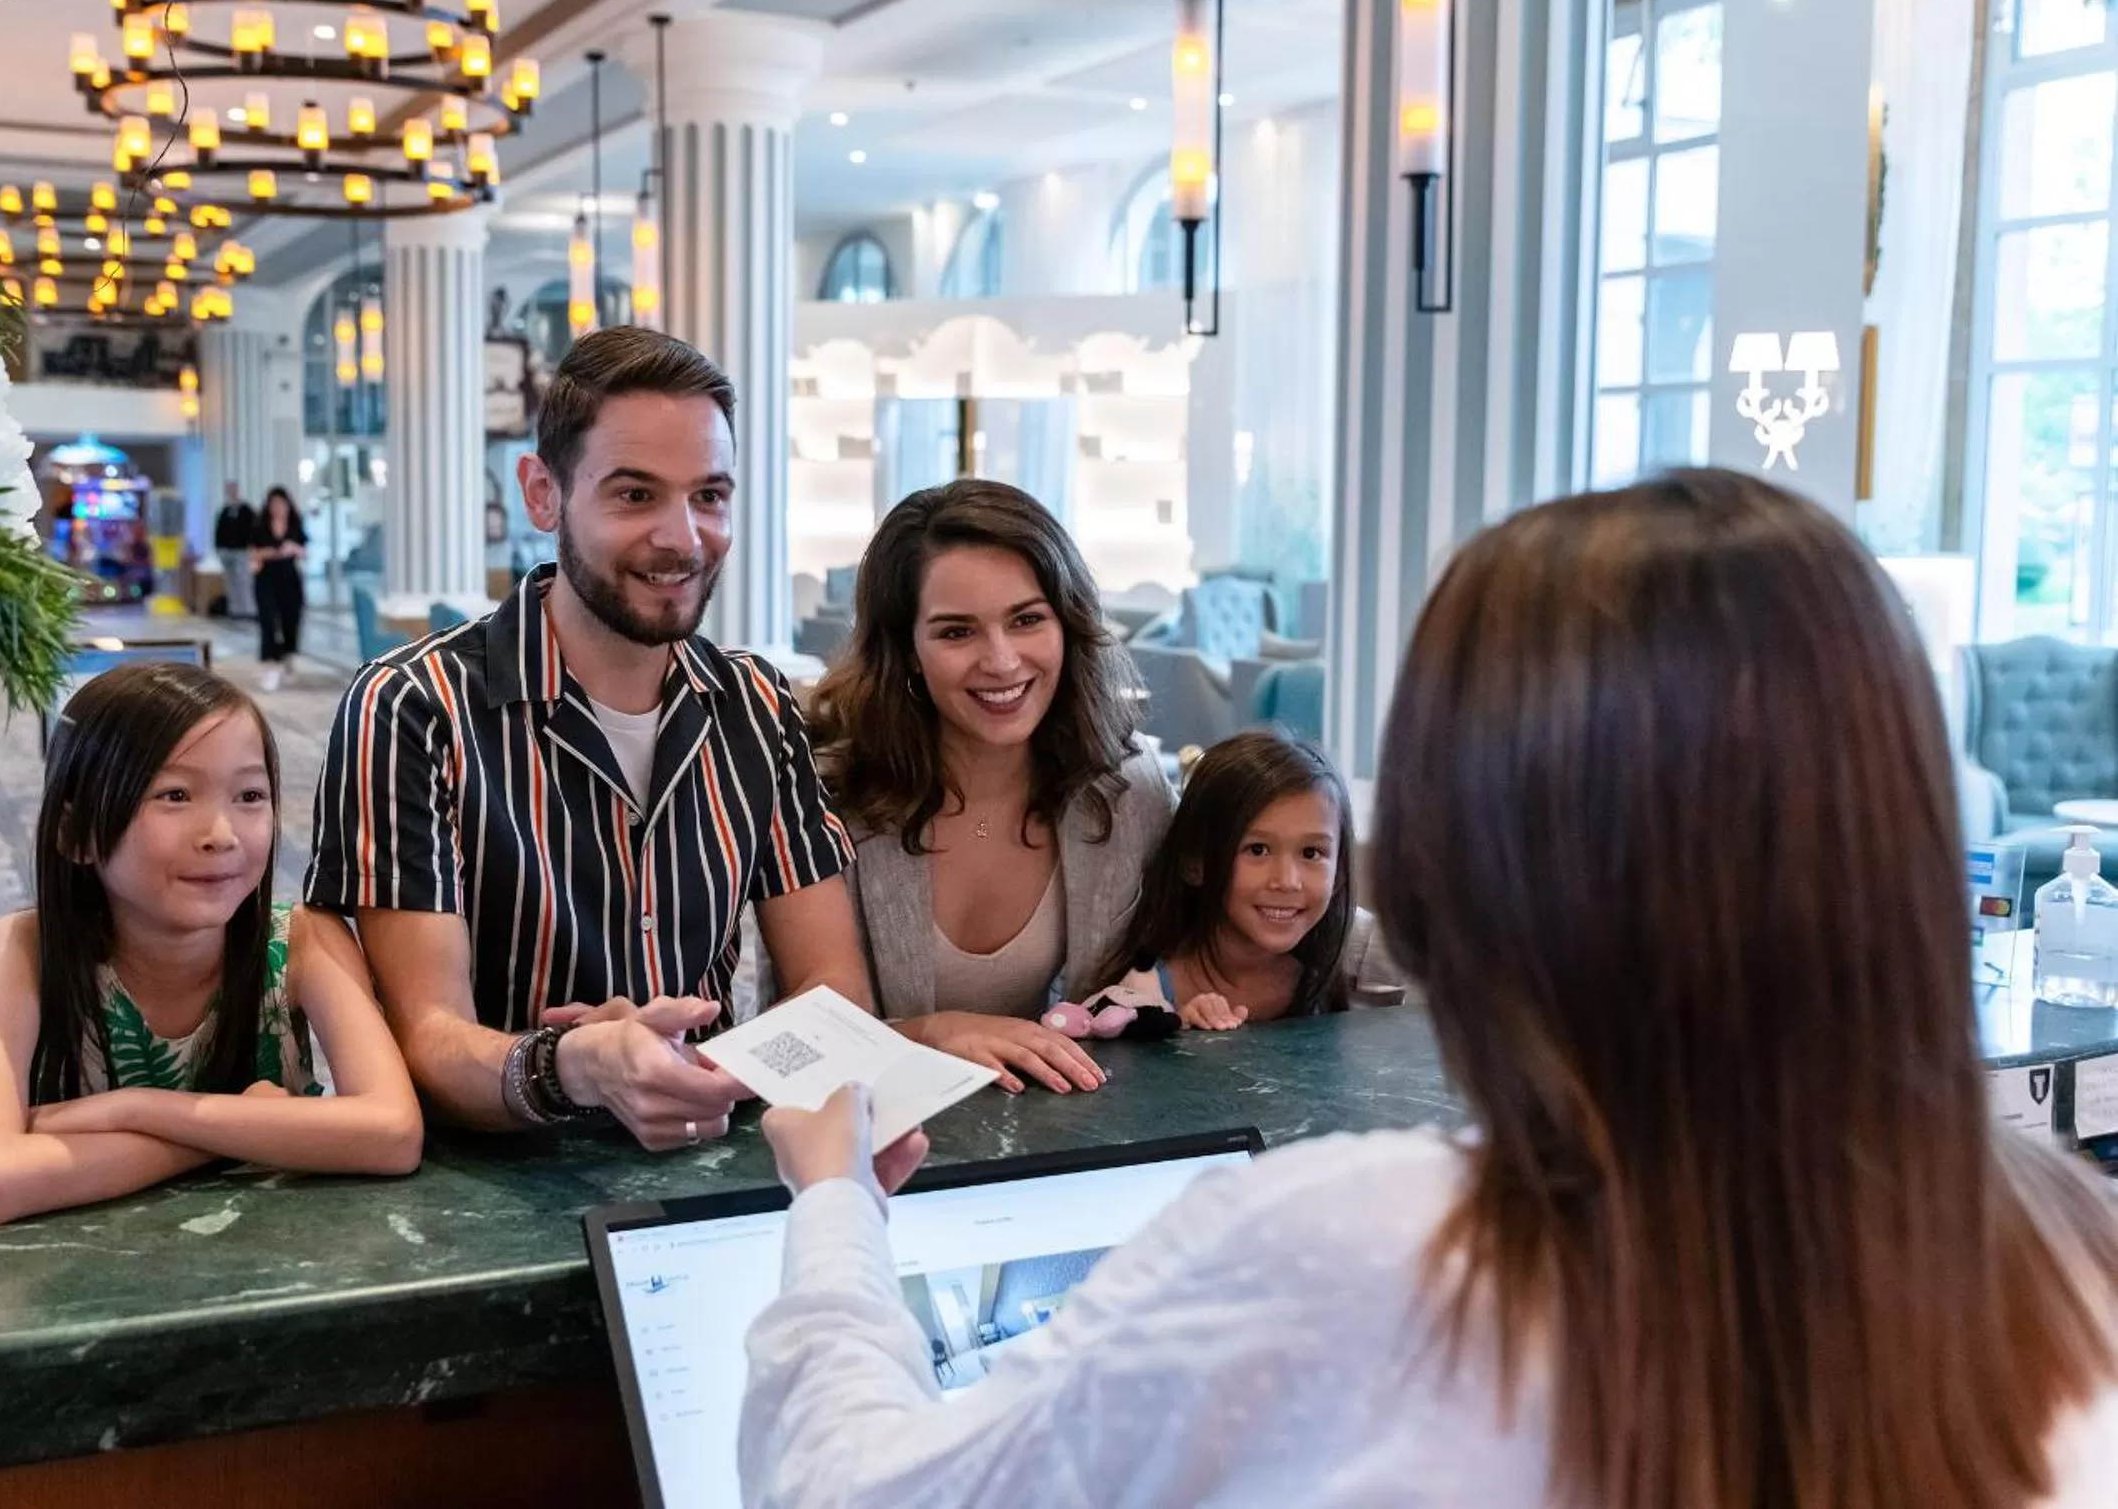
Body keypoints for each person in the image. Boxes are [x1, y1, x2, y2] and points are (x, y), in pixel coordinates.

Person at [741, 469, 2118, 1508]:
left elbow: (861, 1487)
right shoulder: (2072, 1250)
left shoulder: (1346, 1250)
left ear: (1486, 845)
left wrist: (831, 1204)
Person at [302, 326, 884, 1152]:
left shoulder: (756, 705)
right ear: (544, 494)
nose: (683, 537)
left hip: (700, 1172)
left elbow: (835, 989)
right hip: (489, 1203)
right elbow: (424, 1039)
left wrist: (711, 1073)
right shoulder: (413, 706)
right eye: (635, 495)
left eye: (709, 496)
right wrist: (577, 1066)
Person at [0, 663, 421, 1229]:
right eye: (174, 795)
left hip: (272, 1270)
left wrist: (134, 1110)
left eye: (249, 794)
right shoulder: (24, 950)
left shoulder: (305, 940)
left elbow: (393, 1133)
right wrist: (253, 1128)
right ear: (76, 835)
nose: (221, 833)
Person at [808, 481, 1167, 1094]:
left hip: (1076, 1150)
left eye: (1027, 620)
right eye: (956, 632)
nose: (1001, 661)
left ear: (1068, 625)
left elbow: (1272, 914)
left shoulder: (1130, 791)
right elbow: (782, 1036)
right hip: (877, 1150)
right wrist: (930, 1033)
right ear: (907, 651)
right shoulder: (828, 798)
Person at [1086, 730, 1400, 1030]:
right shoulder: (1144, 994)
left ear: (1340, 871)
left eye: (1311, 853)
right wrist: (1180, 1035)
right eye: (1258, 849)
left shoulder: (1343, 965)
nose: (1287, 881)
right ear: (1195, 862)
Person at [252, 487, 307, 693]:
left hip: (290, 580)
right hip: (266, 580)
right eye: (274, 504)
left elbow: (304, 551)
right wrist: (270, 553)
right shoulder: (260, 527)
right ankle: (271, 664)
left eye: (281, 504)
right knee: (268, 620)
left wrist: (293, 549)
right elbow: (254, 553)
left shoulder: (295, 526)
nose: (277, 508)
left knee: (290, 621)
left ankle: (287, 656)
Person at [213, 480, 258, 620]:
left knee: (244, 580)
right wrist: (219, 548)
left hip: (242, 550)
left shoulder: (246, 510)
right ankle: (235, 609)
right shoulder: (224, 510)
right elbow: (219, 531)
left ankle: (249, 609)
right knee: (231, 581)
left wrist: (251, 545)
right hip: (227, 551)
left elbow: (253, 528)